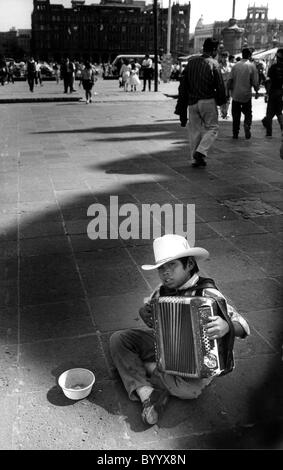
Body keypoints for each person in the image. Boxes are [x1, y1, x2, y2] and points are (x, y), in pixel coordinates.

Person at [110, 234, 250, 426]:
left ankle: (143, 375)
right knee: (118, 339)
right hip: (166, 347)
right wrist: (145, 313)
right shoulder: (161, 291)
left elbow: (243, 326)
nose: (165, 273)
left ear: (190, 264)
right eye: (161, 268)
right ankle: (147, 392)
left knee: (189, 392)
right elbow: (154, 318)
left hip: (197, 359)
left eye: (172, 265)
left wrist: (226, 326)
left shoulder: (208, 294)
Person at [174, 38, 226, 168]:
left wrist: (181, 108)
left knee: (194, 131)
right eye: (217, 50)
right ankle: (201, 151)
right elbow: (219, 85)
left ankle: (195, 159)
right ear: (214, 50)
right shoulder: (213, 63)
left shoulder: (191, 63)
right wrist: (222, 104)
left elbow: (183, 87)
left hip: (192, 103)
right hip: (207, 100)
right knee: (213, 128)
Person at [228, 47, 259, 140]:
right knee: (248, 113)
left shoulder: (235, 65)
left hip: (236, 94)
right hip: (246, 95)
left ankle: (235, 133)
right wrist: (257, 91)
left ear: (242, 55)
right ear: (250, 56)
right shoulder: (252, 66)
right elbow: (255, 82)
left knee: (236, 114)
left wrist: (227, 92)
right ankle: (247, 124)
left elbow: (230, 80)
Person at [261, 48, 283, 138]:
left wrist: (267, 93)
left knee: (269, 113)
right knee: (279, 112)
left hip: (273, 91)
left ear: (277, 57)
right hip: (281, 92)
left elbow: (269, 81)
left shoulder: (273, 67)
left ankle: (269, 132)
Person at [219, 51, 233, 119]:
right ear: (221, 58)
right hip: (221, 86)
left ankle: (226, 112)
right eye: (223, 57)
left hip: (229, 86)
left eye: (226, 57)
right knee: (222, 100)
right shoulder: (219, 66)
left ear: (228, 57)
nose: (225, 59)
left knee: (228, 100)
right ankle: (223, 112)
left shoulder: (231, 66)